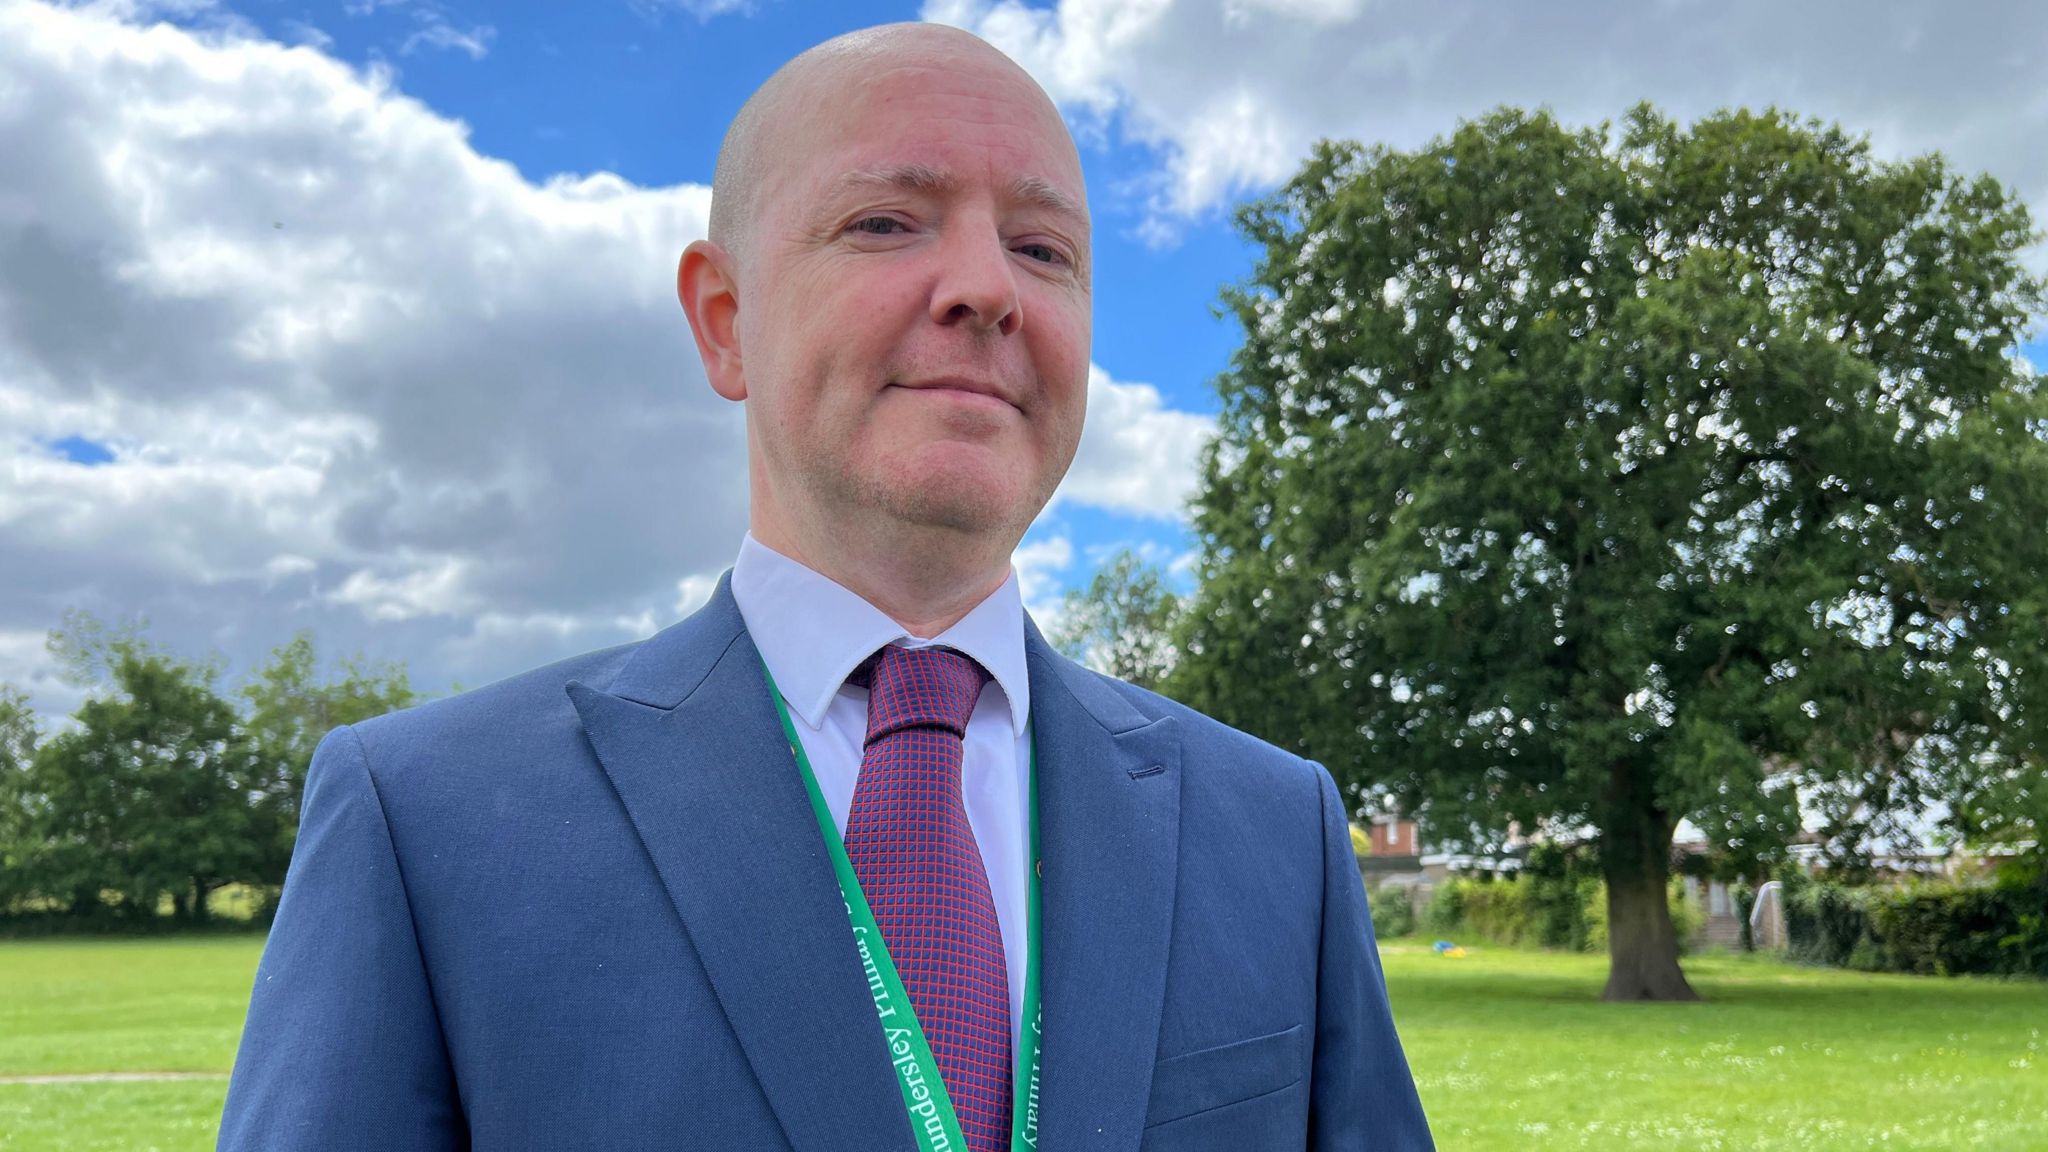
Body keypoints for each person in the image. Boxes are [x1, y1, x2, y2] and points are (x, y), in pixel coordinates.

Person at [216, 21, 1433, 1152]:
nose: (986, 288)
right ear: (724, 320)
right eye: (886, 222)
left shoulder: (1277, 830)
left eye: (1042, 247)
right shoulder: (424, 824)